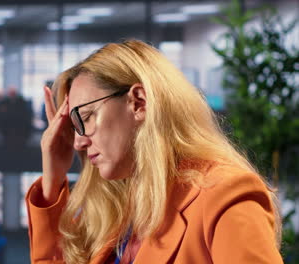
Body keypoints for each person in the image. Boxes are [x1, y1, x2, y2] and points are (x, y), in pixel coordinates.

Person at [26, 40, 283, 264]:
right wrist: (53, 178)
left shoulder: (223, 194)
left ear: (138, 102)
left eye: (86, 118)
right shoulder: (122, 209)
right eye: (74, 128)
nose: (78, 142)